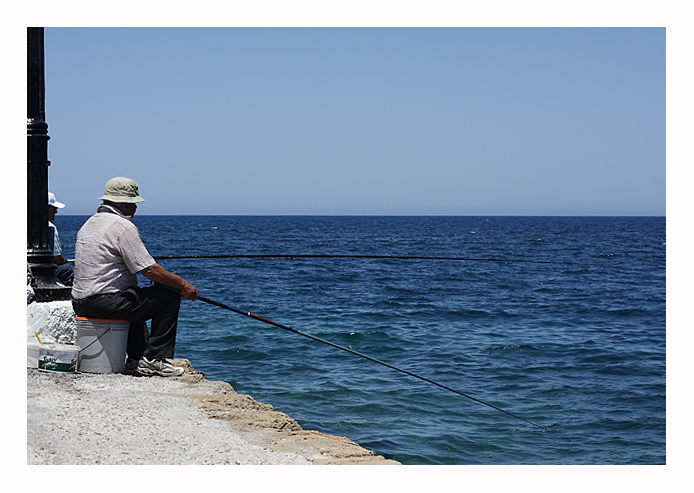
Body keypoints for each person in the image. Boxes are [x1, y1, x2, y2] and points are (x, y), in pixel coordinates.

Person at [71, 177, 198, 377]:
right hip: (103, 302)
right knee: (168, 297)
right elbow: (149, 270)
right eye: (134, 204)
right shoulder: (122, 226)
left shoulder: (89, 224)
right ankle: (155, 360)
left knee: (135, 298)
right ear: (123, 204)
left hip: (80, 301)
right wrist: (182, 285)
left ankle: (136, 359)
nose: (136, 209)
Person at [48, 192, 75, 285]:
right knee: (69, 270)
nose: (56, 211)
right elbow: (57, 258)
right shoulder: (50, 227)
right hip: (46, 273)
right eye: (54, 208)